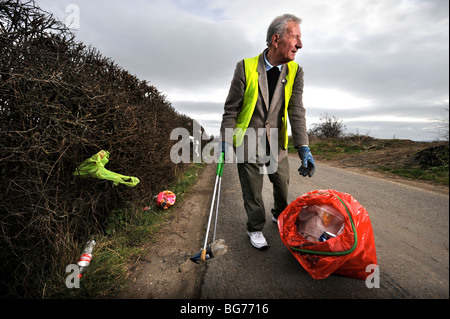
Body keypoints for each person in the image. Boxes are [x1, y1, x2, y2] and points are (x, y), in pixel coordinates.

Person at [219, 14, 315, 250]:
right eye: (295, 38)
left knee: (281, 183)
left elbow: (296, 110)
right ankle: (255, 228)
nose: (300, 45)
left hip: (276, 141)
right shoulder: (246, 67)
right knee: (252, 188)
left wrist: (303, 146)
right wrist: (224, 140)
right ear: (276, 39)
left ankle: (279, 214)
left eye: (300, 39)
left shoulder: (295, 71)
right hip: (248, 139)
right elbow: (231, 109)